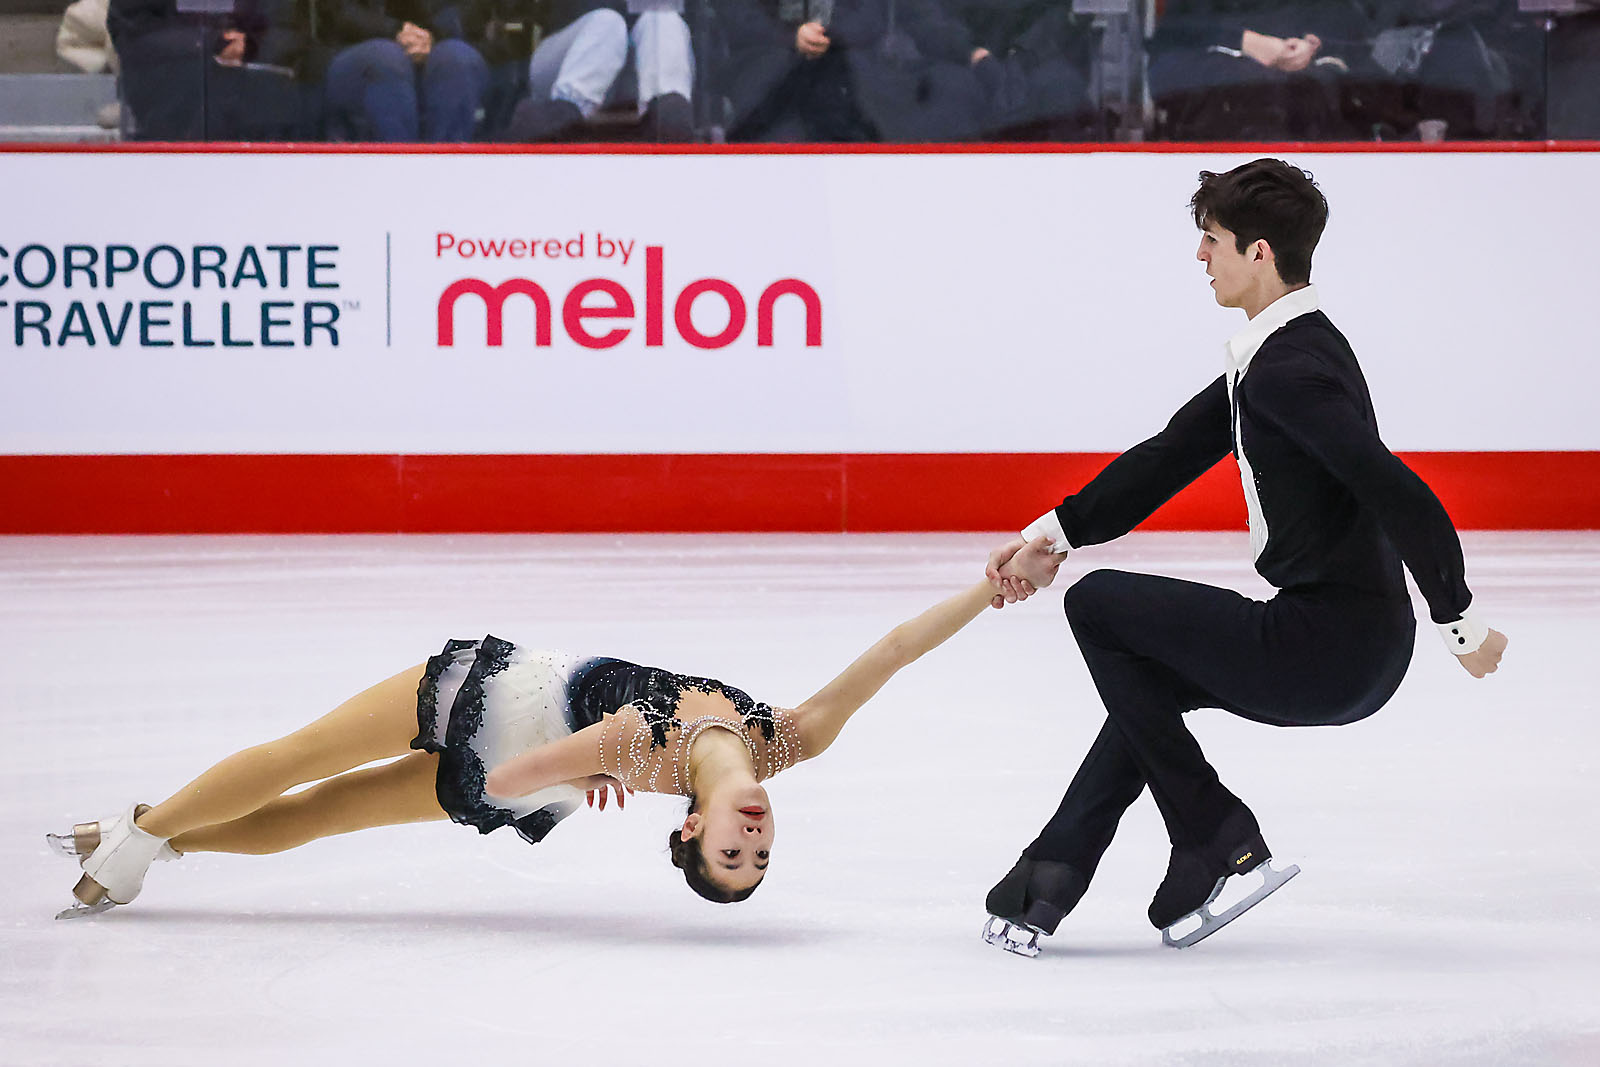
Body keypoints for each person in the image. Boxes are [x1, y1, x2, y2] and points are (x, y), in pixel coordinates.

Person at [979, 158, 1509, 957]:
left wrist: (1459, 620)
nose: (1201, 257)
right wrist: (1047, 538)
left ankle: (1215, 832)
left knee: (1098, 606)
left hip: (1329, 646)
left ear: (1258, 253)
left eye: (1212, 240)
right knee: (1144, 685)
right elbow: (1167, 456)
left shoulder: (1291, 371)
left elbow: (1397, 488)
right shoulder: (1280, 354)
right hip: (1346, 643)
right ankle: (1047, 878)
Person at [50, 578, 1003, 918]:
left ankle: (138, 838)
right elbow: (894, 651)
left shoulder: (640, 752)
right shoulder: (788, 740)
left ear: (688, 832)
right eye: (760, 854)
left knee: (312, 781)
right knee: (310, 799)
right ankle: (138, 843)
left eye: (729, 855)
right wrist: (989, 590)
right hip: (524, 733)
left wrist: (592, 757)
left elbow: (508, 777)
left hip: (499, 699)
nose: (750, 839)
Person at [499, 0, 697, 143]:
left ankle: (670, 123)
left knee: (662, 17)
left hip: (644, 71)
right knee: (607, 23)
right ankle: (557, 123)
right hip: (564, 55)